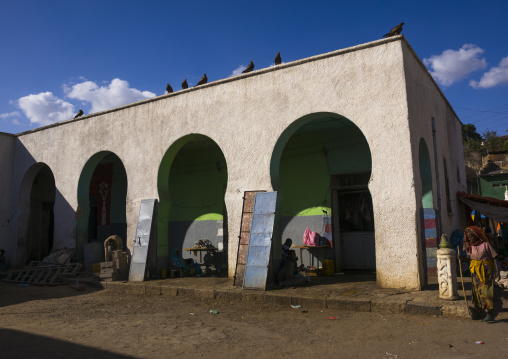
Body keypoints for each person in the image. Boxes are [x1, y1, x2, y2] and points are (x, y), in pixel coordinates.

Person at [458, 226, 500, 322]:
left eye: (471, 236)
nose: (470, 239)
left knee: (486, 291)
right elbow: (470, 259)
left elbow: (494, 257)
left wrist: (497, 270)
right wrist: (462, 258)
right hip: (475, 272)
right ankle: (480, 311)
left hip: (486, 271)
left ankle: (490, 313)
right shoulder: (470, 247)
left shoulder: (485, 245)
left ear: (476, 235)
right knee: (477, 291)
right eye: (468, 237)